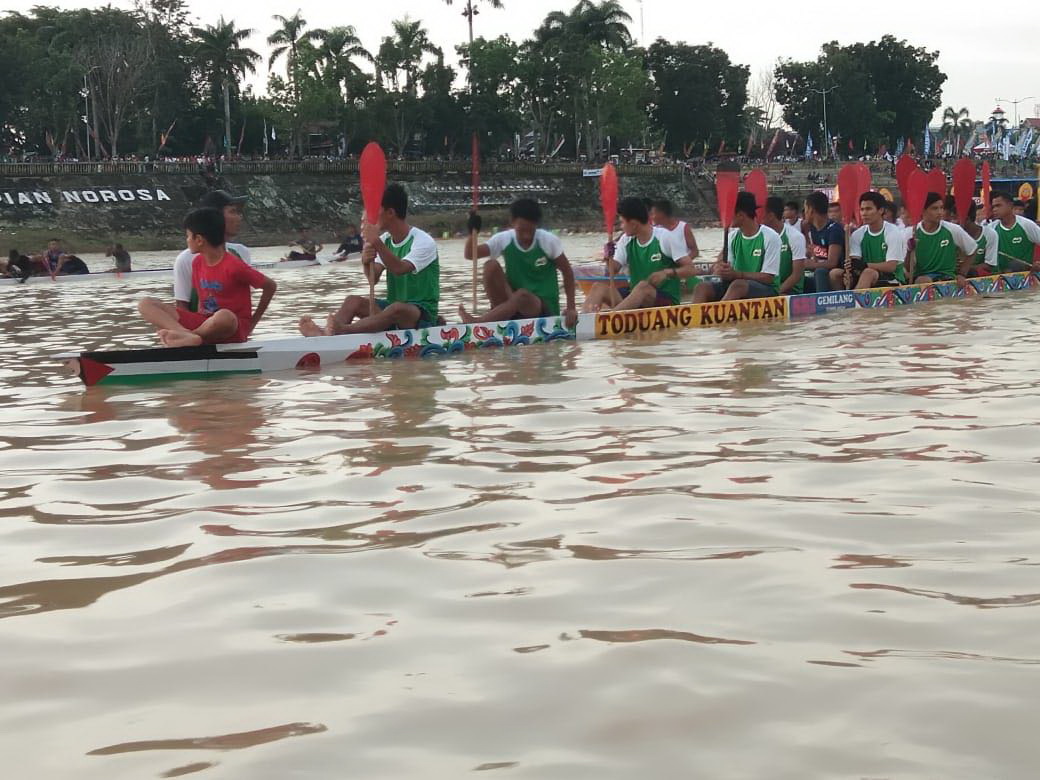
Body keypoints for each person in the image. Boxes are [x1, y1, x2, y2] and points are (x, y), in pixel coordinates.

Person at [298, 183, 440, 336]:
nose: (371, 216)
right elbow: (374, 278)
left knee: (397, 308)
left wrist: (376, 242)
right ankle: (327, 335)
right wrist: (366, 262)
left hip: (420, 313)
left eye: (376, 210)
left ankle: (342, 330)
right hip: (392, 308)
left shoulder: (423, 241)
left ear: (390, 213)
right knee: (352, 301)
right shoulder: (385, 240)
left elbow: (400, 269)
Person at [138, 208, 276, 347]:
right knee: (146, 303)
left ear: (198, 240)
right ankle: (186, 335)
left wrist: (252, 323)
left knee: (224, 316)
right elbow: (202, 302)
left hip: (231, 327)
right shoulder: (197, 262)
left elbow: (270, 286)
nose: (187, 240)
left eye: (188, 236)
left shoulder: (234, 265)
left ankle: (192, 337)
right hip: (205, 323)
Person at [459, 198, 578, 327]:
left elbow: (567, 273)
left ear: (537, 224)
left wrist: (571, 308)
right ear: (512, 222)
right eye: (522, 230)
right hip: (512, 302)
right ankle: (497, 317)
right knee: (490, 266)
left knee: (522, 296)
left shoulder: (548, 241)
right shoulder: (504, 239)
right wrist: (473, 232)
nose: (526, 236)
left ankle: (480, 323)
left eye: (530, 231)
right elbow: (471, 254)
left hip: (540, 307)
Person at [580, 196, 697, 312]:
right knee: (598, 287)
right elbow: (611, 271)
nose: (621, 227)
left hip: (665, 302)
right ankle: (582, 323)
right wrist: (608, 257)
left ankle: (611, 317)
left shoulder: (665, 237)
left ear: (634, 224)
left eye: (622, 222)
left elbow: (691, 269)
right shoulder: (626, 240)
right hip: (635, 299)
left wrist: (667, 273)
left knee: (643, 287)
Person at [692, 192, 781, 303]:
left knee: (738, 285)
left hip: (767, 290)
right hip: (737, 285)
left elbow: (768, 278)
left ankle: (718, 315)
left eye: (729, 213)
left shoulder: (771, 237)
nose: (725, 216)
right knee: (701, 287)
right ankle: (695, 317)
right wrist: (720, 270)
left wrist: (738, 274)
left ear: (740, 215)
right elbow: (728, 270)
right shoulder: (732, 237)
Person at [174, 190, 251, 311]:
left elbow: (246, 298)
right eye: (233, 212)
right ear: (215, 216)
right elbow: (182, 306)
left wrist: (251, 324)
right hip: (200, 325)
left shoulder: (242, 252)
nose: (239, 217)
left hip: (232, 323)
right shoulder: (186, 259)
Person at [831, 191, 907, 289]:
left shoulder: (893, 232)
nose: (864, 213)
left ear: (880, 210)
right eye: (862, 209)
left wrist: (865, 265)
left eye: (868, 209)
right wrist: (849, 272)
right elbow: (856, 263)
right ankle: (841, 301)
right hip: (866, 273)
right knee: (835, 273)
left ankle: (855, 303)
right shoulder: (857, 234)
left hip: (892, 278)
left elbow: (891, 267)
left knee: (868, 272)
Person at [907, 192, 977, 283]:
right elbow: (907, 268)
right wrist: (909, 251)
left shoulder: (952, 229)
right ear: (923, 210)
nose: (940, 212)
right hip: (921, 277)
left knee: (924, 280)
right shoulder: (911, 232)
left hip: (946, 277)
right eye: (935, 208)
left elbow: (973, 249)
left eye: (941, 208)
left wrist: (962, 274)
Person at [761, 196, 806, 294]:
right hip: (767, 288)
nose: (756, 217)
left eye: (760, 214)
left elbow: (796, 275)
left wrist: (776, 293)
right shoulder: (761, 236)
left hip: (789, 290)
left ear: (770, 216)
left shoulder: (795, 237)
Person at [803, 191, 844, 293]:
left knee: (820, 272)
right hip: (820, 269)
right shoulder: (812, 229)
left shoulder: (834, 229)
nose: (804, 213)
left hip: (837, 272)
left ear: (811, 210)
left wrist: (809, 265)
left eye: (806, 209)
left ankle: (822, 305)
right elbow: (817, 256)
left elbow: (832, 262)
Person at [990, 190, 1040, 272]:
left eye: (998, 206)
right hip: (998, 278)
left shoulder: (1026, 225)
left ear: (1010, 205)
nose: (994, 209)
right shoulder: (991, 228)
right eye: (993, 207)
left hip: (1024, 277)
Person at [962, 201, 999, 276]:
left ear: (967, 219)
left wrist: (965, 268)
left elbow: (989, 265)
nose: (952, 222)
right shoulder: (952, 233)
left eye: (954, 218)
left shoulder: (990, 234)